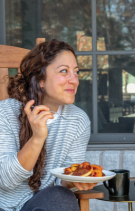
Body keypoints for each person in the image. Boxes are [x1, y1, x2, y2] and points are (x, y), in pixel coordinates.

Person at [0, 39, 96, 211]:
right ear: (40, 79)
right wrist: (37, 138)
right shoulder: (5, 113)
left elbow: (61, 182)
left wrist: (74, 179)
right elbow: (5, 181)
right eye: (64, 71)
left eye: (76, 72)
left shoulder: (78, 120)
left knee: (61, 196)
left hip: (42, 204)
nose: (74, 80)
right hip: (4, 205)